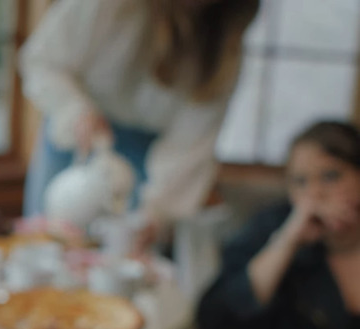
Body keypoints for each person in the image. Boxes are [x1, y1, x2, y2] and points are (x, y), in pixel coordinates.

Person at [19, 0, 259, 252]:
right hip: (73, 137)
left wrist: (156, 212)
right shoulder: (106, 6)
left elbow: (190, 145)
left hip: (148, 165)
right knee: (46, 246)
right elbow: (42, 59)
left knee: (121, 253)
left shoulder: (222, 52)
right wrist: (75, 111)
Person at [197, 121, 360, 329]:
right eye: (299, 182)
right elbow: (216, 323)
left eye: (331, 176)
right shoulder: (272, 228)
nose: (313, 194)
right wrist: (287, 242)